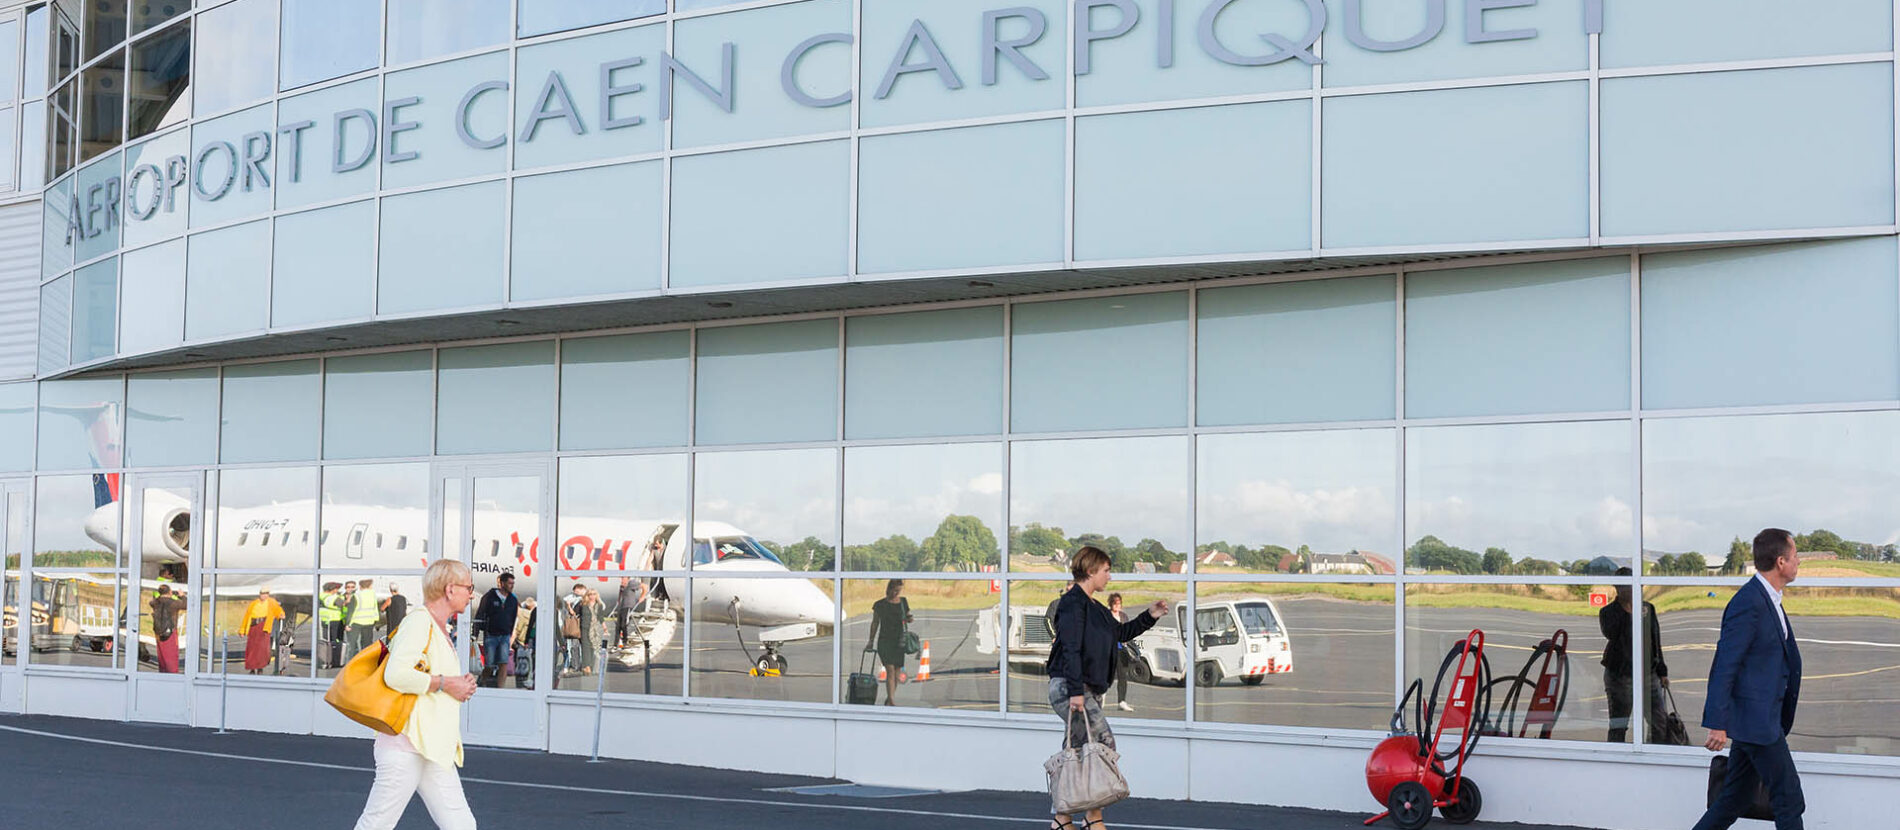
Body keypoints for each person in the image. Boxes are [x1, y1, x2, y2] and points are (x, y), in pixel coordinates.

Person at [351, 558, 480, 830]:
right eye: (469, 587)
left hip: (432, 747)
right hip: (406, 747)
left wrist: (457, 683)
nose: (471, 593)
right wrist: (446, 683)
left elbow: (428, 676)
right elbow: (396, 674)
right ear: (449, 589)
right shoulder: (419, 622)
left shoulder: (437, 627)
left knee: (462, 825)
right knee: (376, 824)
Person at [1046, 546, 1169, 830]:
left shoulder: (1095, 608)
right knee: (1102, 744)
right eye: (1106, 570)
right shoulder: (1072, 604)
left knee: (1076, 750)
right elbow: (1072, 648)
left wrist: (1149, 616)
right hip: (1070, 687)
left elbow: (1120, 633)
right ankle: (1092, 818)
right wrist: (1076, 691)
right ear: (1090, 571)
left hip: (1081, 688)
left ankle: (1062, 820)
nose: (1109, 577)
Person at [1692, 528, 1805, 830]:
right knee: (1789, 799)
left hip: (1757, 720)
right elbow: (1725, 664)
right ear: (1781, 562)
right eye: (1796, 557)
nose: (1799, 563)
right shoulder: (1749, 603)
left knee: (1736, 797)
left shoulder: (1770, 598)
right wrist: (1717, 722)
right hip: (1758, 723)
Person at [1600, 566, 1669, 743]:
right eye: (1627, 586)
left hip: (1649, 674)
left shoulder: (1648, 609)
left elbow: (1655, 640)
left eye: (1635, 586)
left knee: (1659, 721)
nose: (1632, 590)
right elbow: (1612, 634)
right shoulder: (1608, 612)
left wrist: (1662, 672)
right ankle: (1615, 760)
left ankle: (1655, 757)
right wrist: (1629, 611)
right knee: (1619, 724)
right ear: (1618, 588)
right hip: (1620, 676)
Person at [864, 579, 914, 707]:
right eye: (895, 590)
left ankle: (889, 698)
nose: (897, 593)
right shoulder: (880, 605)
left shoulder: (903, 602)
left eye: (899, 590)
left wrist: (909, 618)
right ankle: (891, 701)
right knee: (890, 670)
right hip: (885, 641)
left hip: (899, 641)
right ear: (889, 589)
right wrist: (871, 641)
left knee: (897, 672)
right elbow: (875, 623)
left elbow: (909, 616)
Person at [472, 573, 519, 687]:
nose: (512, 586)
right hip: (491, 635)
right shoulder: (490, 597)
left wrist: (510, 633)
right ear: (502, 583)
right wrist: (475, 634)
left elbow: (513, 617)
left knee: (503, 663)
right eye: (509, 583)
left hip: (504, 636)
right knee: (490, 664)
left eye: (513, 583)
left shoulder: (512, 599)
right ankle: (482, 682)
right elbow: (480, 614)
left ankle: (500, 688)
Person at [240, 589, 284, 675]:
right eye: (262, 594)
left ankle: (260, 668)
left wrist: (281, 614)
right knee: (252, 649)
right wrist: (242, 630)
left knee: (262, 649)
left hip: (263, 626)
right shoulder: (254, 603)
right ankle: (252, 669)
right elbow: (247, 617)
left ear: (268, 594)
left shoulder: (271, 602)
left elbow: (278, 610)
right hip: (253, 627)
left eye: (266, 594)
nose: (263, 596)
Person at [1107, 593, 1134, 712]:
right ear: (1111, 604)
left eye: (1119, 603)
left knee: (1122, 676)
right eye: (1115, 603)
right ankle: (1100, 697)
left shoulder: (1123, 616)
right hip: (1108, 650)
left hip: (1121, 650)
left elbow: (1128, 631)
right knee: (1107, 676)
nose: (1117, 606)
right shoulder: (1106, 616)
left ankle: (1122, 701)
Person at [149, 585, 184, 674]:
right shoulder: (173, 603)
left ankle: (163, 673)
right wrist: (182, 595)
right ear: (170, 592)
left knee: (162, 655)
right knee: (171, 655)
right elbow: (186, 605)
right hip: (170, 631)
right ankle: (172, 674)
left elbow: (151, 602)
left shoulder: (155, 603)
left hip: (158, 631)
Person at [349, 578, 382, 658]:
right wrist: (376, 621)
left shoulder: (357, 595)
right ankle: (366, 659)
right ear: (370, 586)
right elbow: (375, 609)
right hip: (369, 621)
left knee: (353, 642)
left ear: (360, 586)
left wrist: (348, 623)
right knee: (367, 643)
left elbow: (351, 610)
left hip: (357, 621)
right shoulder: (373, 595)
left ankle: (353, 659)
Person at [575, 587, 603, 676]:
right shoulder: (583, 604)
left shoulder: (599, 605)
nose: (592, 596)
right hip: (584, 628)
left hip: (595, 629)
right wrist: (568, 606)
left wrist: (604, 628)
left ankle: (590, 665)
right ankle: (586, 666)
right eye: (590, 594)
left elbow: (601, 617)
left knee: (593, 647)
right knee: (585, 647)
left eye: (594, 594)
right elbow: (575, 613)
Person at [320, 582, 345, 668]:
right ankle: (335, 660)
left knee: (327, 641)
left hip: (326, 620)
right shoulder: (331, 598)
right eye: (336, 589)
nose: (337, 590)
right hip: (334, 620)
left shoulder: (321, 596)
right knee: (335, 640)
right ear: (332, 589)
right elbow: (342, 603)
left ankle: (328, 660)